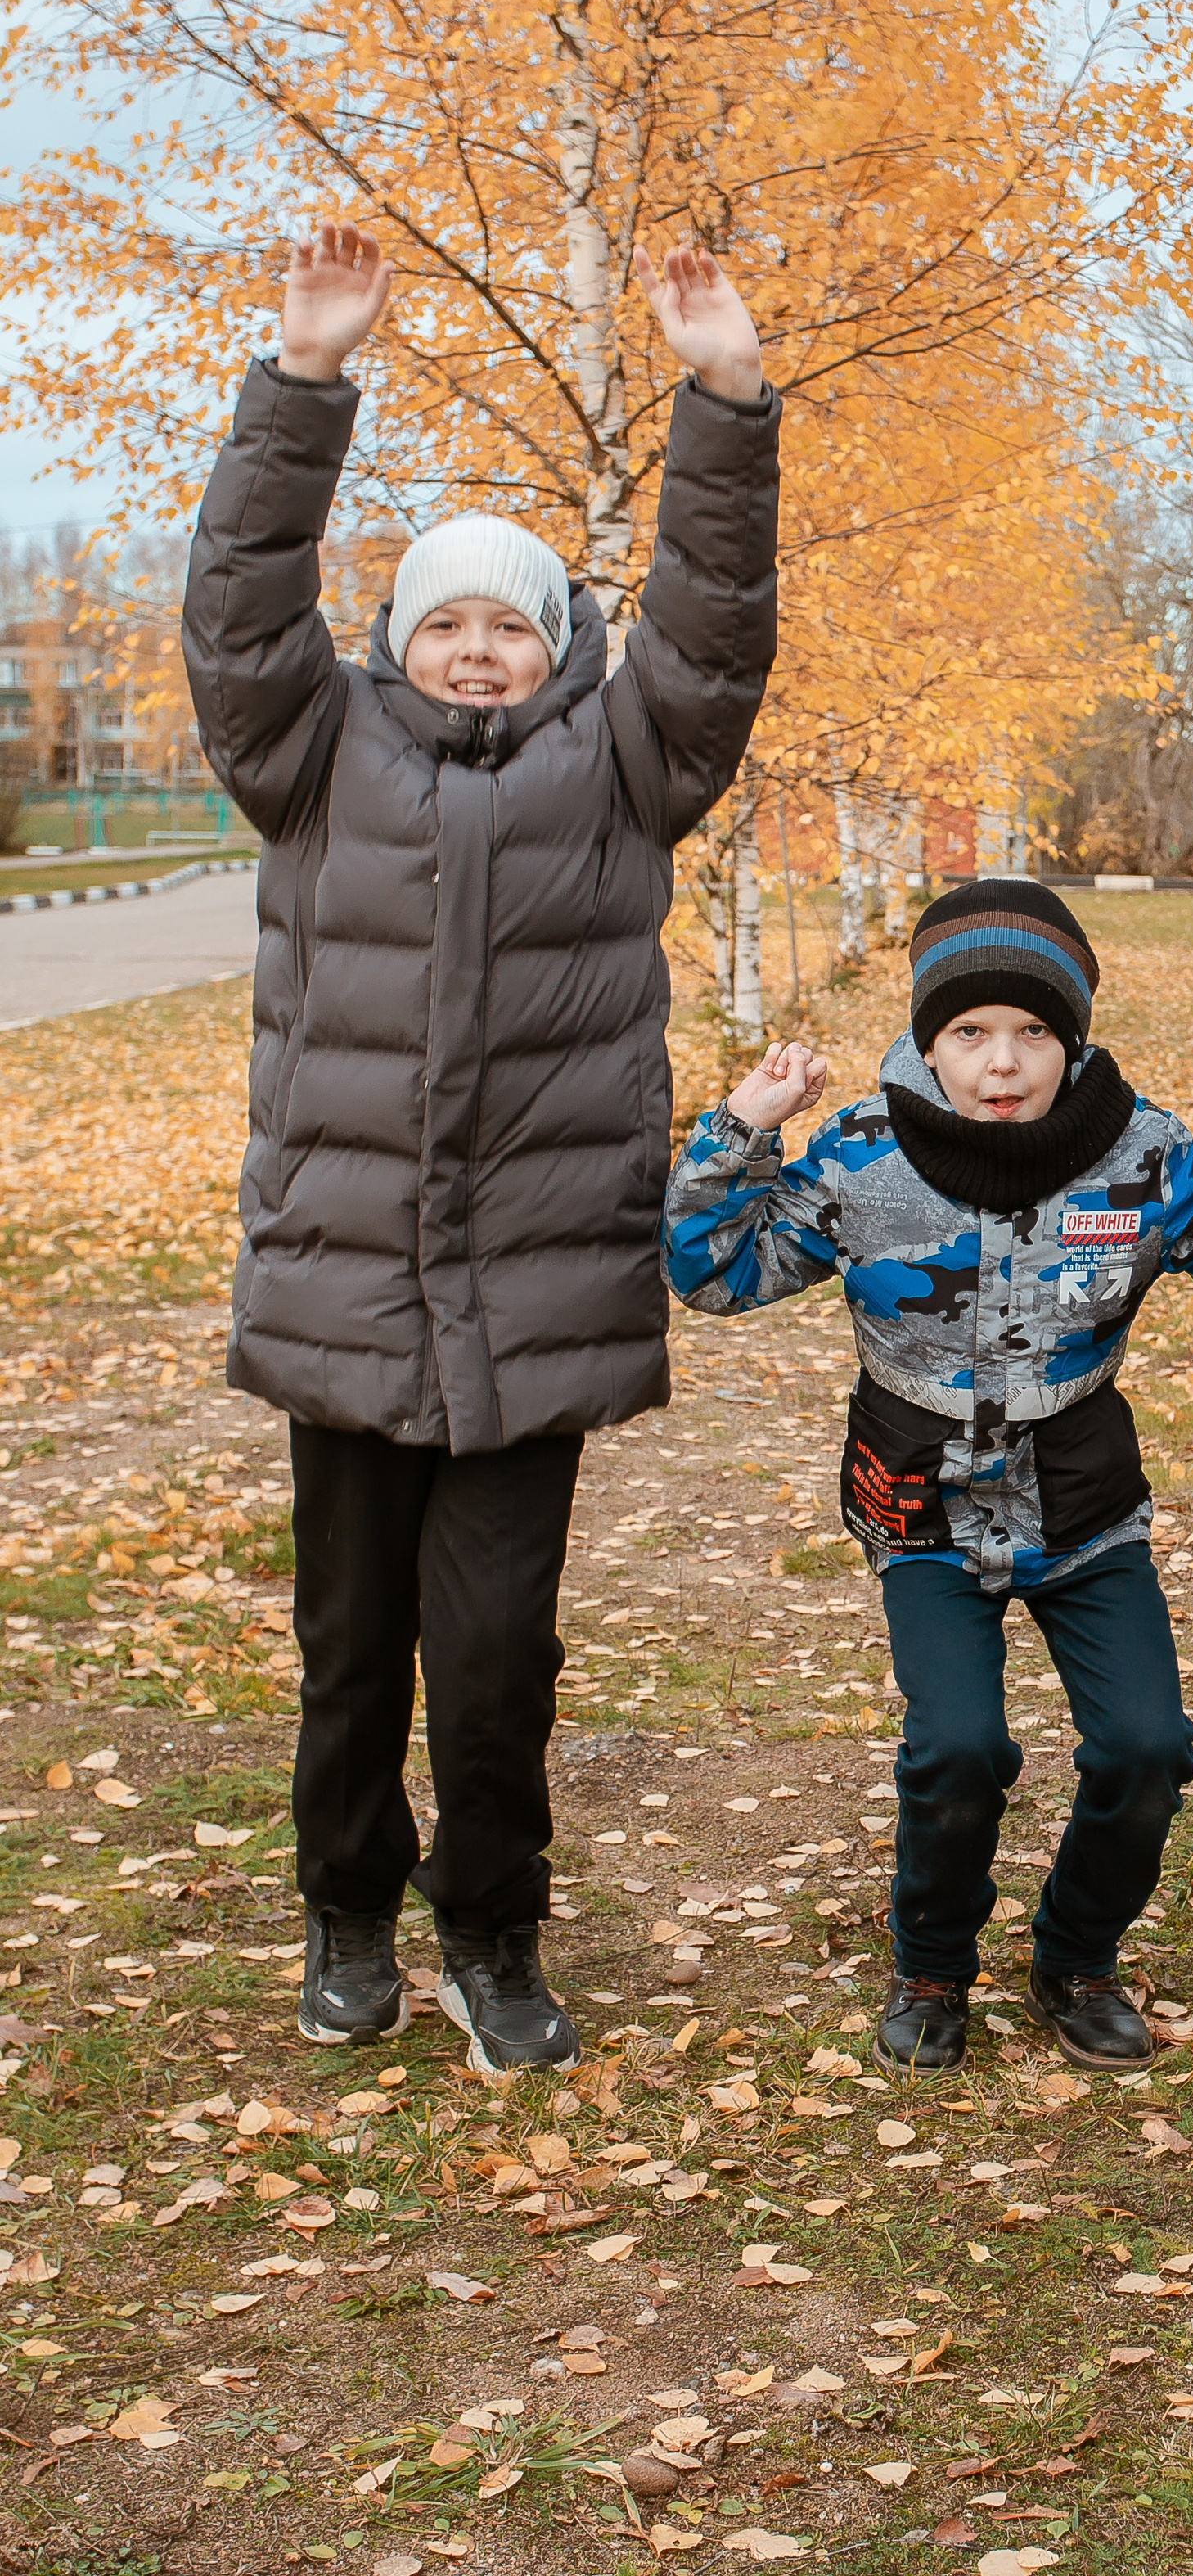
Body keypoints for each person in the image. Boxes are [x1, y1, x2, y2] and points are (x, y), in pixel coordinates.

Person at [182, 219, 780, 2073]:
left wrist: (726, 404)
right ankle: (346, 1918)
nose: (470, 643)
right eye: (441, 616)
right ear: (392, 641)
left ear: (558, 644)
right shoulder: (309, 755)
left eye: (505, 617)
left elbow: (710, 622)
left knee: (496, 1666)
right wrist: (304, 381)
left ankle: (493, 1939)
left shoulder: (623, 769)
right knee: (350, 1658)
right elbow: (235, 608)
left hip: (537, 1302)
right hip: (349, 1292)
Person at [660, 881, 1193, 2074]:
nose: (1003, 1063)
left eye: (1034, 1033)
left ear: (1071, 1041)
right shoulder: (865, 1156)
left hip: (1082, 1501)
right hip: (923, 1503)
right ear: (931, 1043)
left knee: (1147, 1747)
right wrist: (742, 1124)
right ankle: (931, 1966)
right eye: (971, 1033)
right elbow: (712, 1273)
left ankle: (1075, 1959)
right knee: (960, 1749)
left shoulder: (1139, 1153)